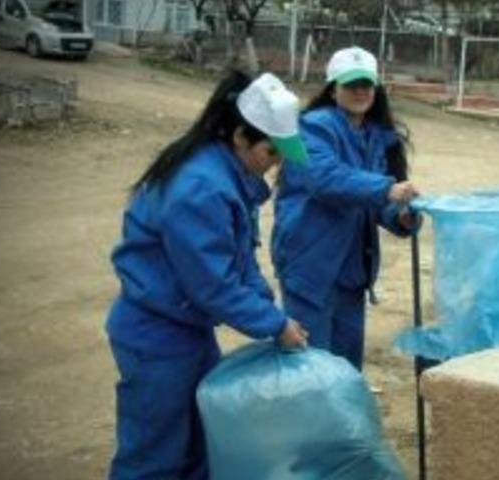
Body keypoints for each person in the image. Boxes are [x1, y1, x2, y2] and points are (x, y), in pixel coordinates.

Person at [105, 71, 310, 480]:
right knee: (154, 454)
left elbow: (239, 255)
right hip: (156, 335)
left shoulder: (229, 175)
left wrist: (264, 302)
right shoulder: (201, 187)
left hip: (187, 329)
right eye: (272, 153)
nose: (276, 164)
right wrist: (274, 324)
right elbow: (211, 284)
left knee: (200, 440)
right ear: (240, 136)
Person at [272, 46, 421, 371]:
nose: (360, 92)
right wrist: (387, 188)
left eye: (366, 84)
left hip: (351, 272)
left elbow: (374, 202)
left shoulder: (374, 136)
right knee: (310, 369)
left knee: (345, 368)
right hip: (311, 267)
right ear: (332, 87)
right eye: (350, 84)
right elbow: (324, 179)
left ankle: (338, 424)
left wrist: (403, 216)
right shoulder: (312, 127)